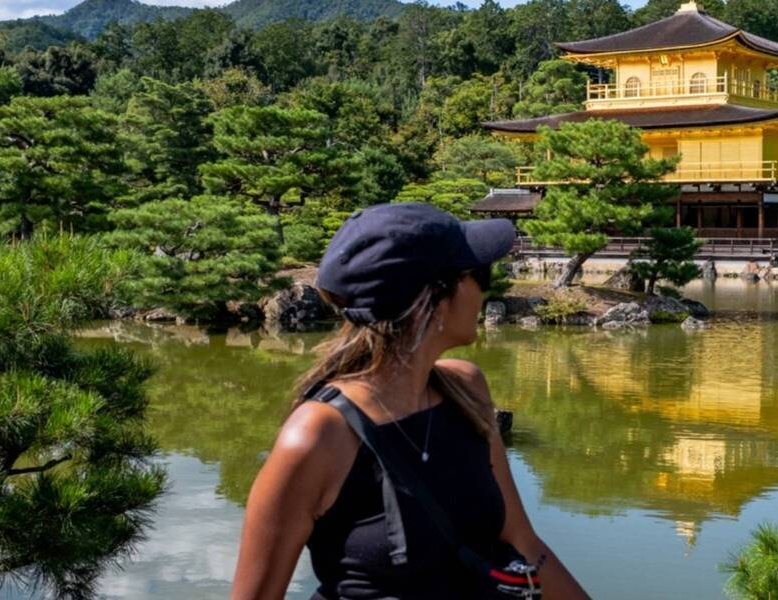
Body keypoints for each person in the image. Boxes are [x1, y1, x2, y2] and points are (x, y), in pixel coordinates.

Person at [232, 203, 588, 600]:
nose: (484, 289)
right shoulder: (320, 433)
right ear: (432, 298)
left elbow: (522, 540)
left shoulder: (466, 389)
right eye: (478, 274)